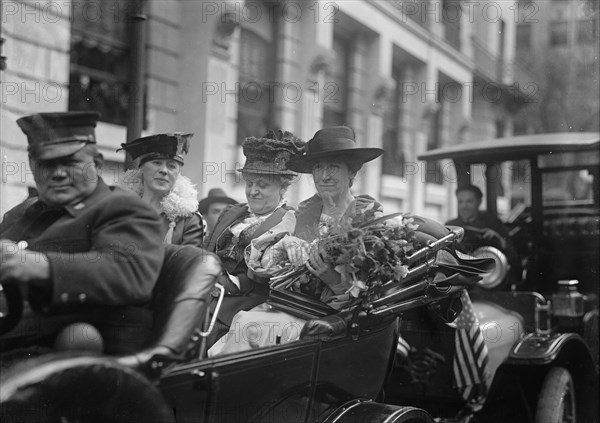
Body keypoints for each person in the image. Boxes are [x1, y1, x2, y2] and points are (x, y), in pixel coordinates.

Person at [209, 125, 384, 355]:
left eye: (334, 167)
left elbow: (373, 292)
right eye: (318, 168)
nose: (324, 176)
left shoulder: (367, 216)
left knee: (248, 326)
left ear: (352, 173)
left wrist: (330, 278)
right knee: (241, 320)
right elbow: (259, 259)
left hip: (333, 320)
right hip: (290, 307)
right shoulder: (301, 213)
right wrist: (283, 246)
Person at [0, 112, 165, 355]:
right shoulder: (23, 213)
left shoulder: (122, 208)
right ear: (33, 168)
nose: (57, 173)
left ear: (96, 164)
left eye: (70, 162)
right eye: (45, 164)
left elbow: (129, 272)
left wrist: (41, 266)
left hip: (63, 355)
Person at [203, 130, 305, 343]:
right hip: (206, 284)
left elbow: (273, 278)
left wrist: (231, 283)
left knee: (199, 321)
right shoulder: (231, 212)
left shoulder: (289, 221)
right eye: (250, 183)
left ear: (283, 187)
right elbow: (206, 249)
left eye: (263, 185)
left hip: (245, 300)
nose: (253, 191)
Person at [117, 133, 206, 246]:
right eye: (157, 163)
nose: (164, 170)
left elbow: (189, 260)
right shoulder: (119, 210)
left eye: (171, 166)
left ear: (178, 173)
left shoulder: (188, 220)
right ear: (141, 168)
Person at [445, 184, 520, 281]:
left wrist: (498, 239)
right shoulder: (450, 226)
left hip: (489, 277)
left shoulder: (493, 223)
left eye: (469, 201)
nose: (464, 206)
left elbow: (513, 256)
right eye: (460, 202)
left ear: (479, 202)